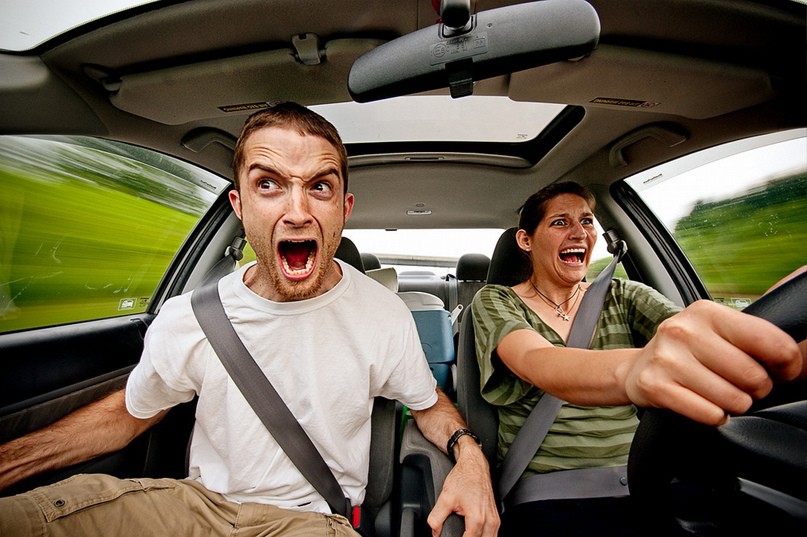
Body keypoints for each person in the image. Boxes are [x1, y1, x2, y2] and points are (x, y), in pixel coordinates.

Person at [0, 102, 499, 537]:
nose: (297, 212)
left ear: (344, 209)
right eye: (268, 184)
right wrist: (11, 460)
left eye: (320, 187)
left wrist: (471, 458)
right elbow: (131, 414)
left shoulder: (383, 314)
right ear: (239, 205)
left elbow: (428, 405)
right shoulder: (188, 318)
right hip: (195, 508)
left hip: (311, 521)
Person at [471, 181, 805, 536]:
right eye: (560, 222)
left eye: (587, 221)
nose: (579, 233)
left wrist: (774, 339)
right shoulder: (496, 300)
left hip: (647, 477)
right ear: (525, 240)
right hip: (553, 492)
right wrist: (634, 369)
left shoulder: (623, 295)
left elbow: (699, 338)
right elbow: (535, 359)